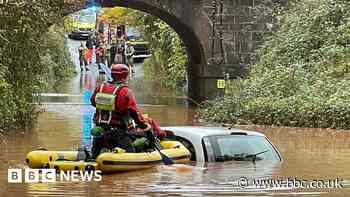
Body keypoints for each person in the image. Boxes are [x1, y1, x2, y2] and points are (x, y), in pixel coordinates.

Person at [89, 64, 151, 159]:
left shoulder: (100, 88)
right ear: (125, 76)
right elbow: (134, 112)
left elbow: (93, 102)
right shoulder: (126, 91)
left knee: (93, 157)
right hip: (118, 134)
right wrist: (144, 126)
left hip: (99, 132)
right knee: (132, 156)